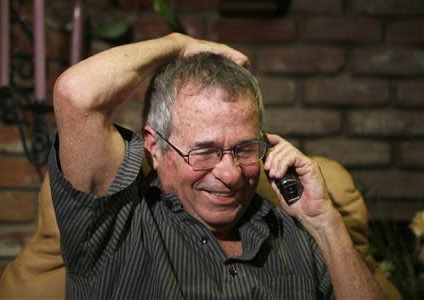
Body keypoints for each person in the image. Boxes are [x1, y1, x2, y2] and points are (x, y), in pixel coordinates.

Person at [50, 33, 384, 299]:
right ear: (155, 147)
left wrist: (324, 222)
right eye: (204, 152)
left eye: (244, 149)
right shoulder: (114, 226)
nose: (230, 174)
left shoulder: (293, 232)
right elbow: (76, 95)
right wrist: (178, 44)